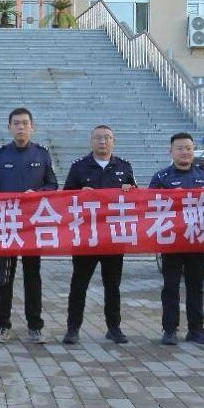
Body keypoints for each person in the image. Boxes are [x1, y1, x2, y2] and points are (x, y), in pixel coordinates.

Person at [0, 107, 58, 344]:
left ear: (32, 127)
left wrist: (37, 193)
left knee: (33, 276)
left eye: (25, 123)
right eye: (16, 123)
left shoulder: (42, 154)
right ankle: (2, 325)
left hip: (32, 225)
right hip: (7, 223)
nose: (21, 127)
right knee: (5, 276)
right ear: (9, 127)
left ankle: (35, 326)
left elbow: (53, 185)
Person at [62, 125, 135, 345]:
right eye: (98, 138)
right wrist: (79, 193)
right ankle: (73, 328)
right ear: (91, 141)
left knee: (112, 285)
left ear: (114, 141)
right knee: (79, 284)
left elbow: (135, 197)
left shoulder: (123, 166)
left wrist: (130, 190)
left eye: (107, 138)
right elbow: (65, 198)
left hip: (113, 237)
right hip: (87, 236)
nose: (103, 141)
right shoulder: (79, 167)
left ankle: (114, 327)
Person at [148, 132, 204, 346]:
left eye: (188, 148)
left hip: (197, 239)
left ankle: (197, 329)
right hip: (171, 241)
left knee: (196, 286)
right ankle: (169, 329)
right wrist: (169, 197)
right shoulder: (161, 178)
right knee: (170, 286)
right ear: (171, 152)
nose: (185, 152)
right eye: (180, 148)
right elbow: (148, 205)